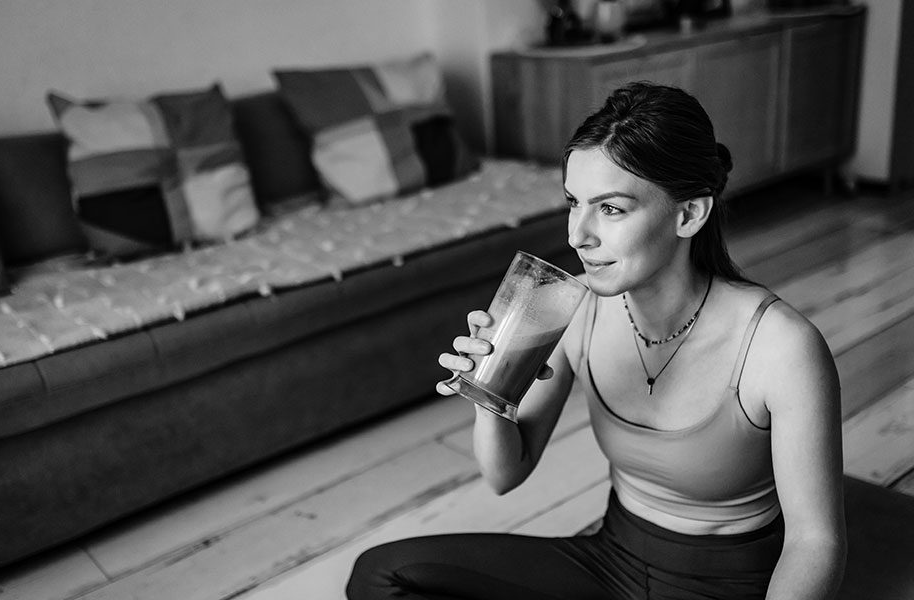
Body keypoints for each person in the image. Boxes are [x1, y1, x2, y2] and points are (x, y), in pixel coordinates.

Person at [345, 81, 846, 600]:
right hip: (610, 560)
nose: (577, 234)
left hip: (723, 583)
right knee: (382, 575)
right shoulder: (572, 305)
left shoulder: (781, 347)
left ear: (689, 214)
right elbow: (505, 475)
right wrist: (489, 395)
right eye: (573, 203)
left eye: (610, 209)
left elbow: (816, 542)